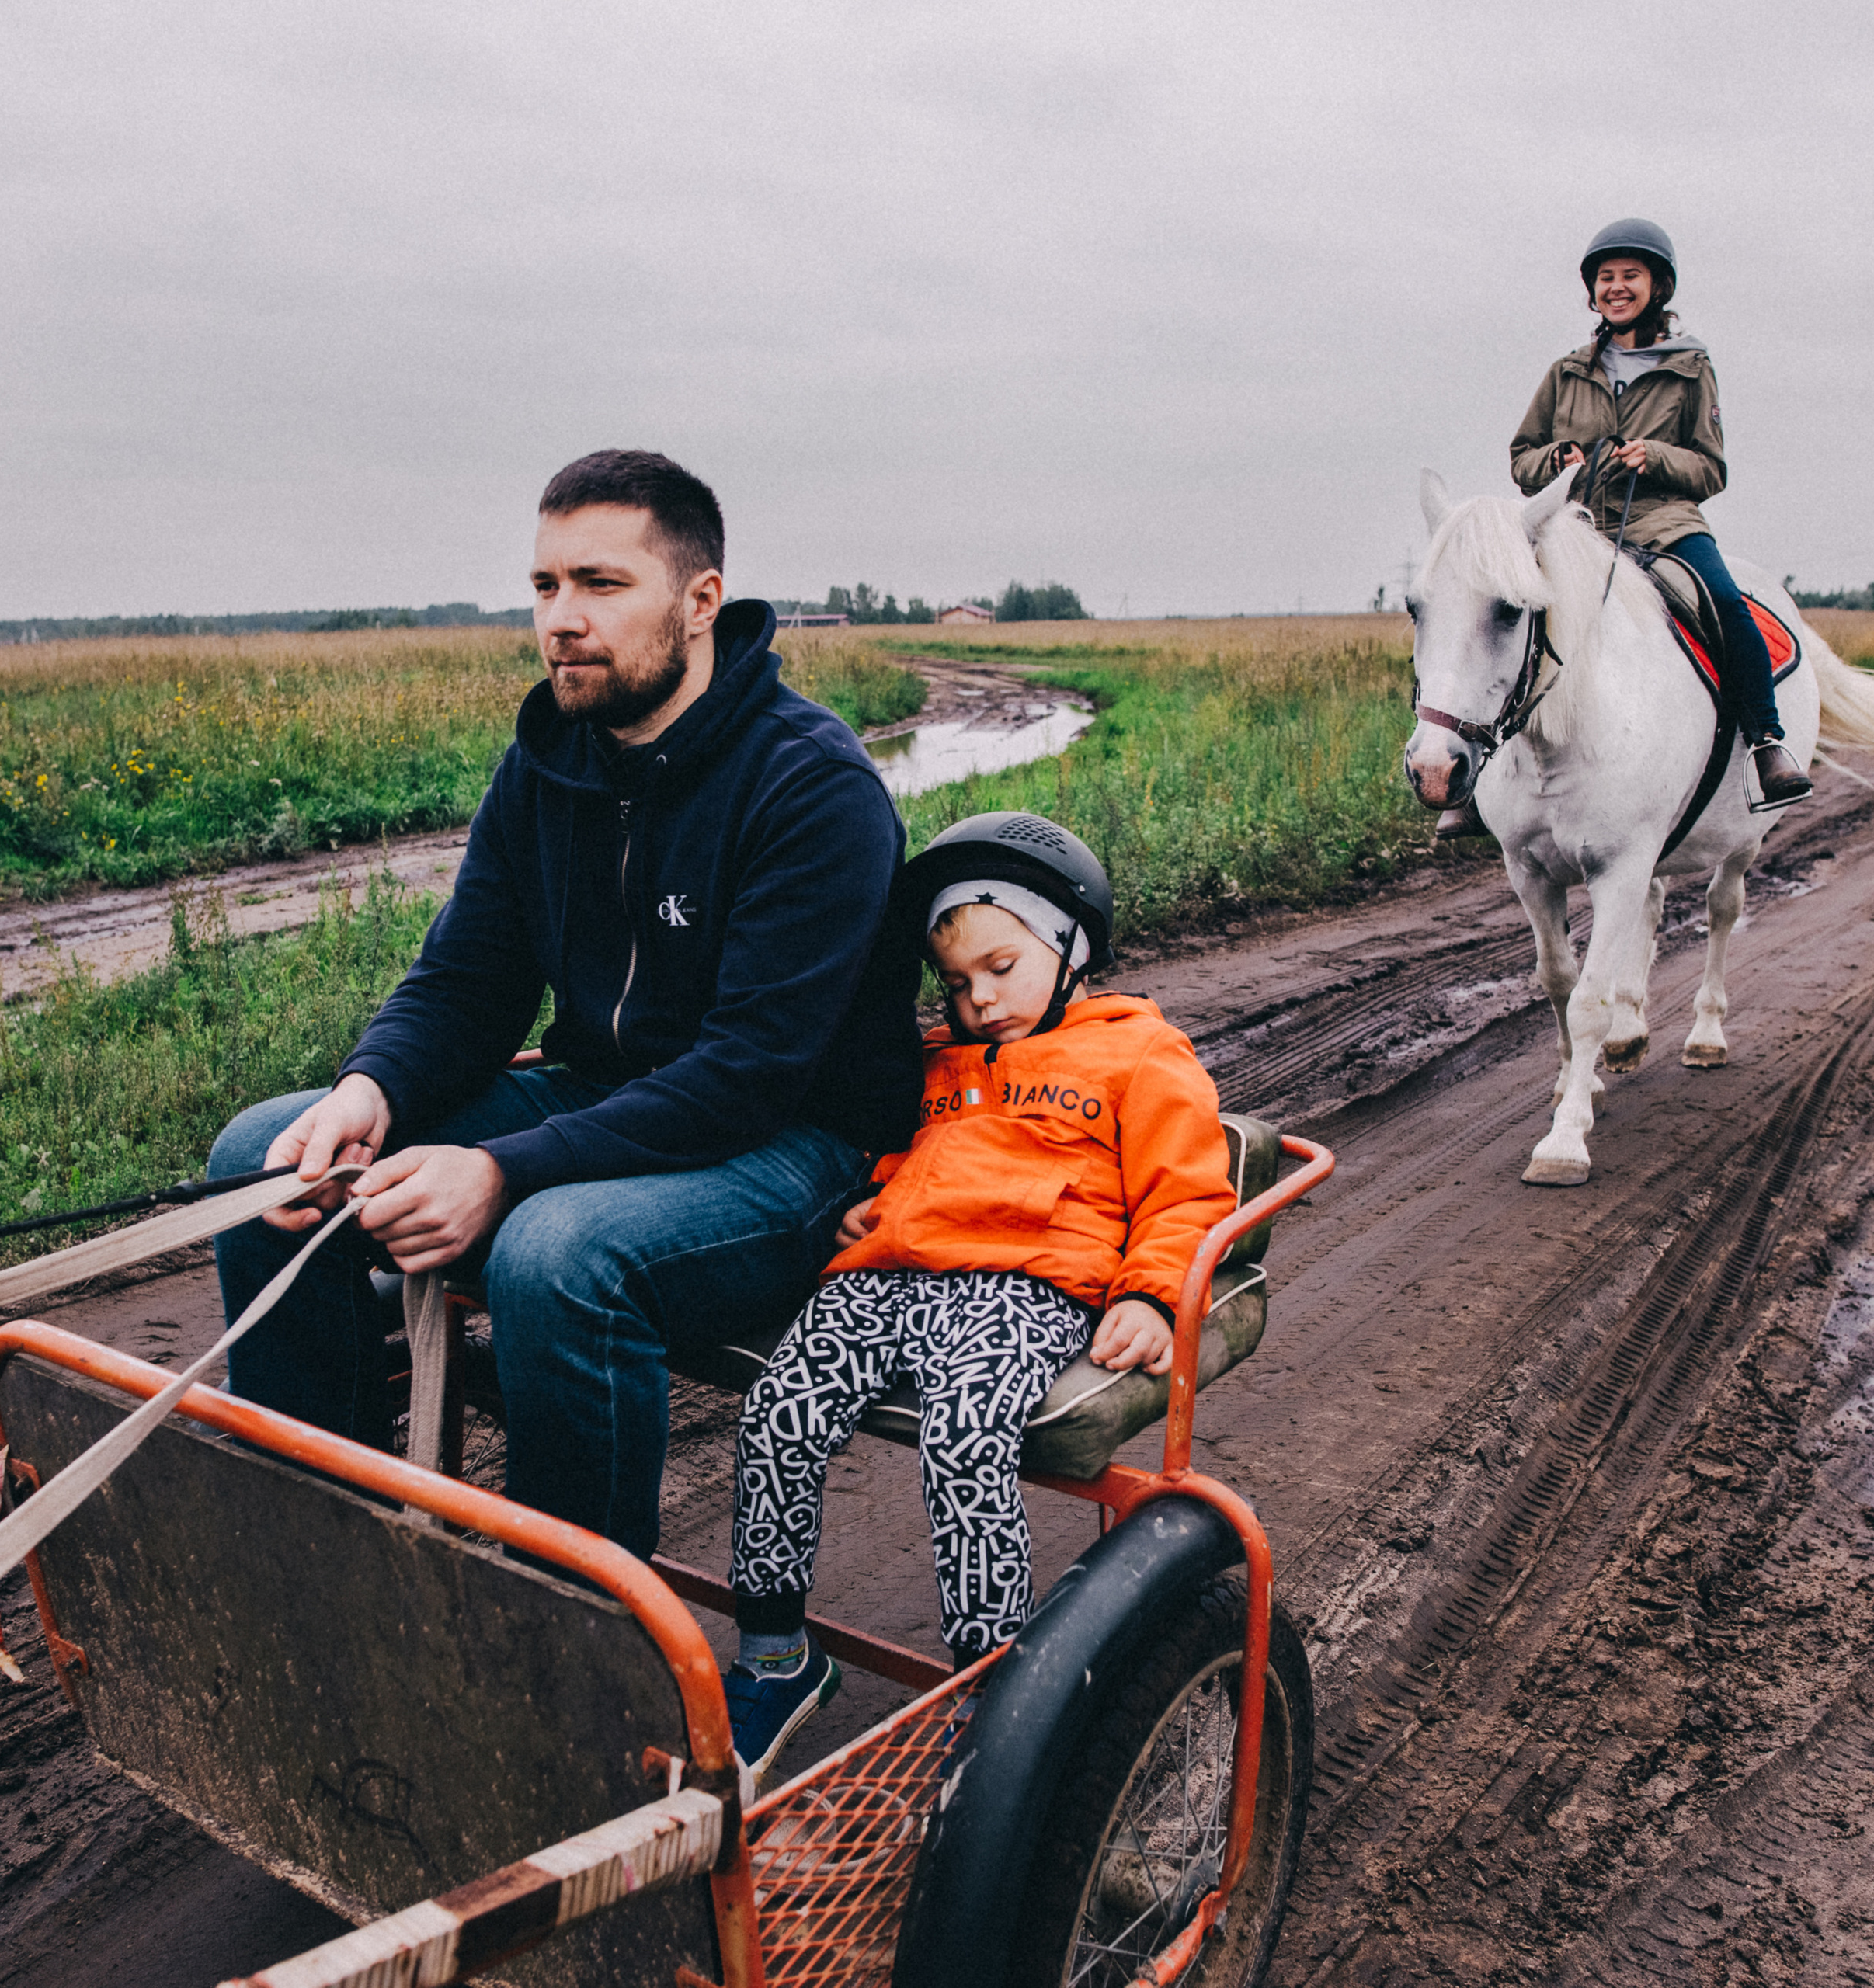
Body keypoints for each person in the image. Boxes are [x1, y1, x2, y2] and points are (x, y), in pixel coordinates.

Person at [209, 450, 923, 1562]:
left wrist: (501, 1171)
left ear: (700, 601)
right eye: (545, 586)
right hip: (604, 1096)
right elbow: (469, 979)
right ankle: (325, 1554)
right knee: (262, 1157)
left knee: (555, 1254)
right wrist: (369, 1087)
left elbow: (749, 1074)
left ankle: (575, 1627)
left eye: (601, 583)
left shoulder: (809, 784)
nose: (561, 619)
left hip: (791, 1147)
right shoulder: (547, 763)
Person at [719, 812, 1236, 1773]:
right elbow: (915, 1150)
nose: (980, 999)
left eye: (1002, 967)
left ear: (1072, 946)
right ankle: (775, 1655)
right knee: (778, 1413)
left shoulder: (1138, 1053)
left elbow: (1187, 1194)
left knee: (963, 1440)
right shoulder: (940, 1061)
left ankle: (988, 1689)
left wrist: (1151, 1296)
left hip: (1023, 1286)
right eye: (957, 983)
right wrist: (875, 1196)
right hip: (891, 1274)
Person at [1496, 216, 1811, 838]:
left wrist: (1657, 456)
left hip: (1665, 523)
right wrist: (1556, 459)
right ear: (1592, 291)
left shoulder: (1691, 368)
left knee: (1725, 604)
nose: (1617, 287)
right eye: (1605, 277)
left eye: (1630, 275)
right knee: (1493, 605)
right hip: (1578, 528)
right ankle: (1474, 771)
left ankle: (1766, 742)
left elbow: (1711, 469)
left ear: (1658, 287)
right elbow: (1521, 458)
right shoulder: (1565, 372)